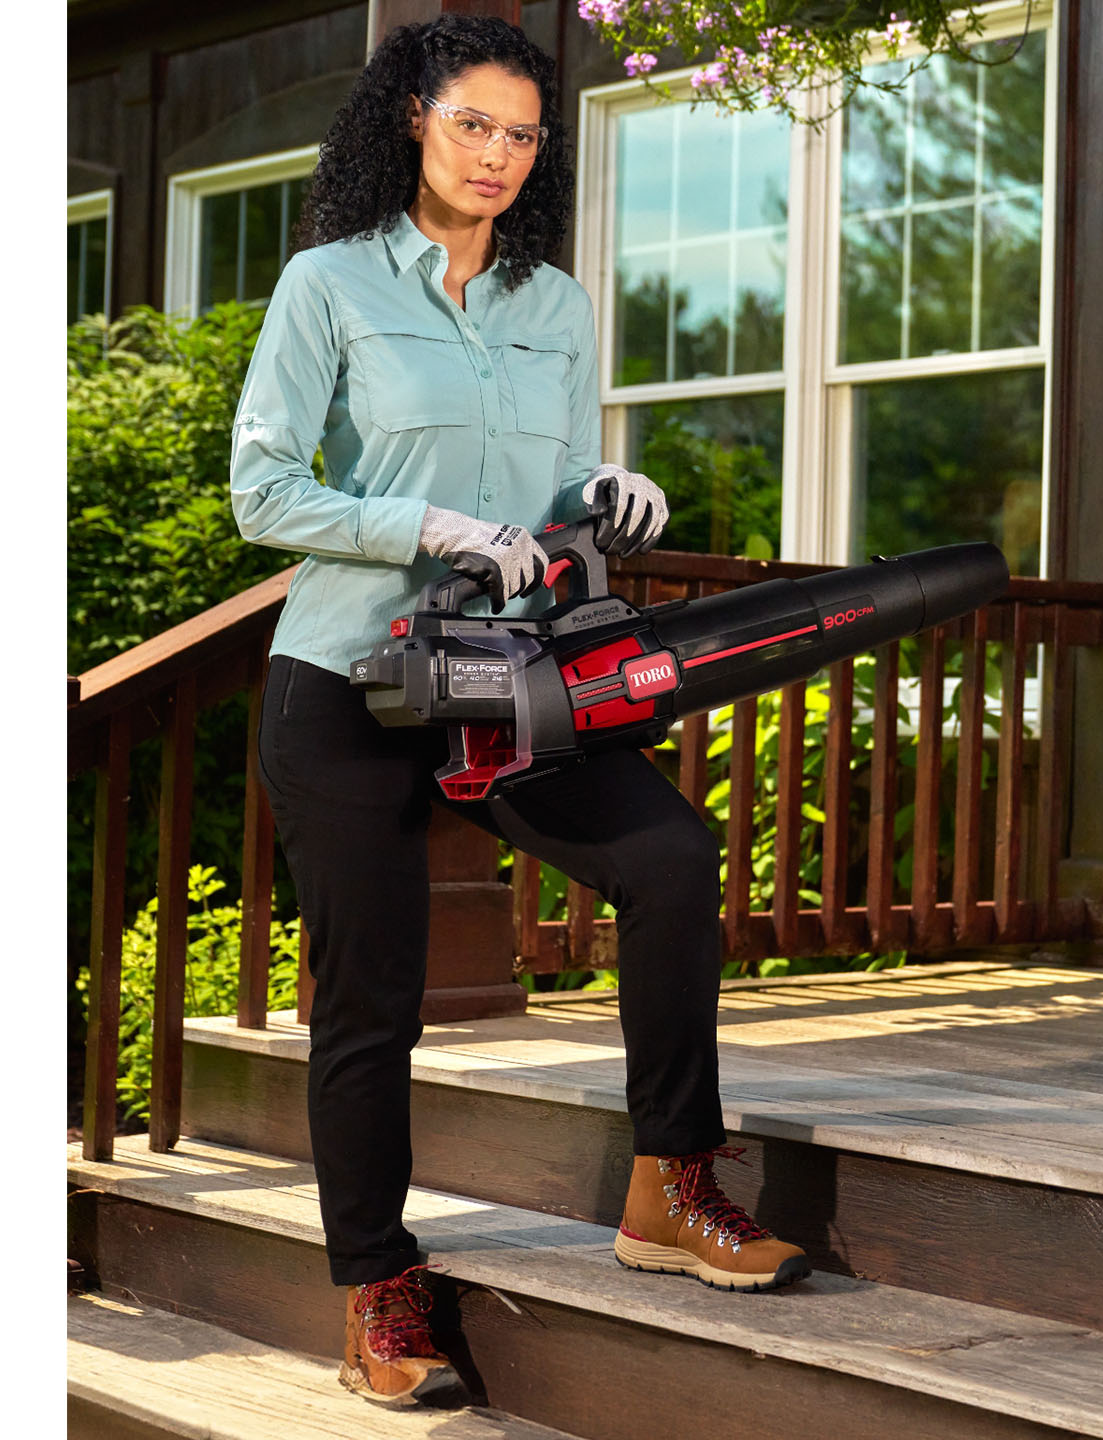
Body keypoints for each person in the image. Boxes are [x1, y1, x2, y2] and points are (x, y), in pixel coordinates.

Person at [229, 14, 809, 1409]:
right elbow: (263, 491)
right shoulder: (328, 283)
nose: (496, 154)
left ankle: (672, 1184)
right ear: (413, 119)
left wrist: (598, 493)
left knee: (669, 860)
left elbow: (545, 494)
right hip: (348, 679)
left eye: (523, 134)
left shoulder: (554, 303)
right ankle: (379, 1288)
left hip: (506, 677)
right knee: (372, 998)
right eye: (472, 123)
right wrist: (424, 524)